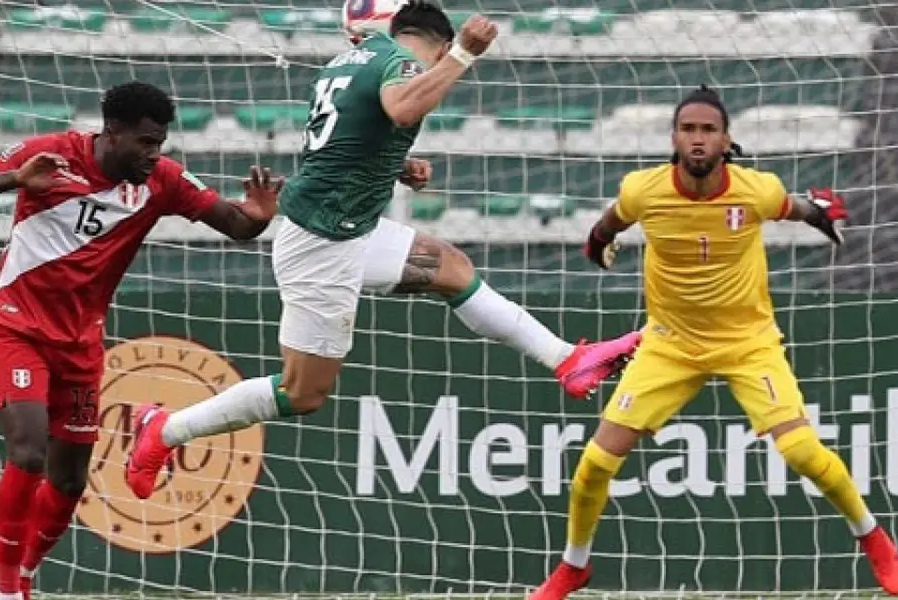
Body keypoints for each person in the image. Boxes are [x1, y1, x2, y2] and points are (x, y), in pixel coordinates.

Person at [122, 0, 642, 499]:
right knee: (302, 393)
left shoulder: (348, 62)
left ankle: (566, 360)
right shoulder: (398, 59)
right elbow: (400, 106)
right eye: (440, 59)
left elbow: (346, 143)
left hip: (349, 228)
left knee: (452, 269)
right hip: (323, 245)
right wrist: (465, 53)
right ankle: (165, 429)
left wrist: (395, 166)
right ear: (432, 47)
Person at [529, 85, 898, 599]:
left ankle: (873, 536)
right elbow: (611, 220)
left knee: (800, 449)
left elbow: (795, 206)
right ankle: (574, 566)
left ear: (727, 140)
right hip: (670, 344)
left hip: (747, 342)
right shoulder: (646, 190)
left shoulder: (755, 189)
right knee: (594, 464)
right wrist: (599, 242)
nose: (698, 139)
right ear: (674, 138)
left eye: (708, 130)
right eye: (688, 129)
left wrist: (821, 210)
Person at [0, 81, 282, 600]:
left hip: (79, 344)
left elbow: (235, 223)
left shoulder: (161, 181)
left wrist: (256, 218)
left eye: (160, 143)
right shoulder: (50, 156)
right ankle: (7, 591)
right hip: (16, 325)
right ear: (113, 132)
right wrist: (15, 179)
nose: (154, 154)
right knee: (28, 452)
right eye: (145, 142)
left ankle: (27, 575)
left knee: (71, 480)